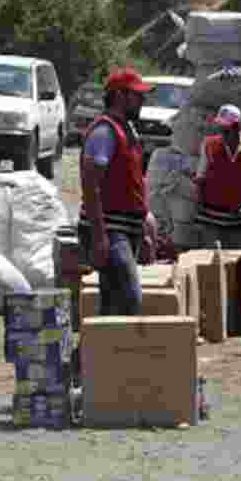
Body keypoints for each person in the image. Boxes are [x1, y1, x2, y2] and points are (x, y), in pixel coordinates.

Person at [78, 66, 158, 316]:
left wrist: (144, 227)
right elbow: (91, 186)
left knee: (114, 302)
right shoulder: (105, 132)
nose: (143, 100)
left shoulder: (128, 129)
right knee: (128, 299)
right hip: (111, 230)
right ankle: (102, 353)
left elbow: (132, 183)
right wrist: (100, 238)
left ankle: (93, 354)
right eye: (137, 95)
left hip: (127, 228)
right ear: (120, 96)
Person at [193, 104, 241, 250]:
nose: (223, 133)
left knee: (235, 261)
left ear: (238, 127)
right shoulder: (209, 145)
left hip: (240, 218)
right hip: (211, 216)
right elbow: (200, 178)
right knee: (213, 260)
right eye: (221, 128)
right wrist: (197, 207)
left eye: (227, 129)